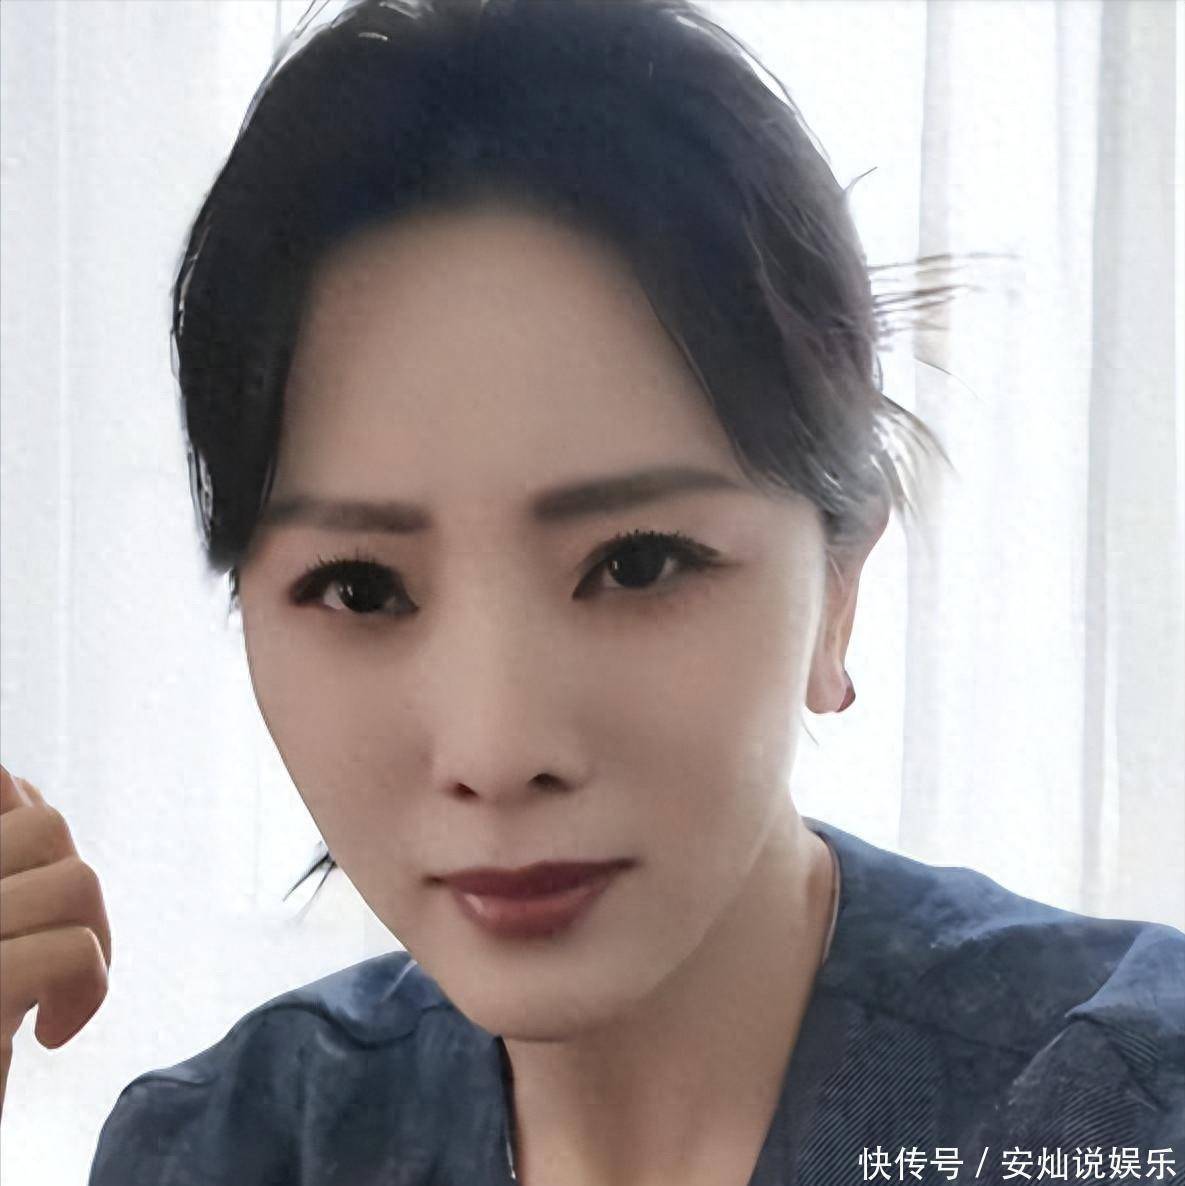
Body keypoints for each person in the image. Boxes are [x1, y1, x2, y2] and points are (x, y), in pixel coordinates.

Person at [0, 0, 1181, 1182]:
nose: (498, 750)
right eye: (360, 587)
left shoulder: (1114, 1117)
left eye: (637, 564)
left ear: (839, 581)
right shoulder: (233, 1147)